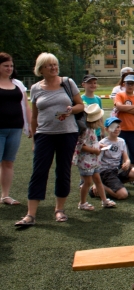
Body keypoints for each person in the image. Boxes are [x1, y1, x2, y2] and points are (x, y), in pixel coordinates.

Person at [15, 53, 84, 226]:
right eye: (49, 65)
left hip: (67, 134)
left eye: (55, 64)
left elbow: (80, 105)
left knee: (63, 171)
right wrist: (33, 139)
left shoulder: (67, 82)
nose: (54, 68)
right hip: (44, 135)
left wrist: (70, 110)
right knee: (38, 172)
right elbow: (34, 116)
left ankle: (59, 210)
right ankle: (30, 215)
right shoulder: (36, 88)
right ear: (41, 69)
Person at [0, 53, 31, 206]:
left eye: (11, 66)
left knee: (8, 163)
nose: (9, 68)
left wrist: (29, 125)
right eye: (6, 66)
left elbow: (25, 105)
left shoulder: (17, 84)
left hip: (15, 129)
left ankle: (5, 195)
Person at [73, 104, 116, 210]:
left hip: (93, 160)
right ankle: (82, 203)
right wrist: (94, 150)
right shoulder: (85, 130)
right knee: (87, 182)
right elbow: (80, 145)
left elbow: (91, 142)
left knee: (98, 179)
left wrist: (99, 146)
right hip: (86, 160)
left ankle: (104, 200)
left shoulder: (91, 129)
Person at [92, 117, 134, 200]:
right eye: (113, 127)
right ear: (106, 129)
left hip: (117, 170)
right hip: (106, 172)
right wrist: (95, 182)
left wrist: (127, 163)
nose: (117, 129)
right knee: (123, 195)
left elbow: (127, 158)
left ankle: (115, 185)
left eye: (118, 126)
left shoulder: (121, 141)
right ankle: (101, 186)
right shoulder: (102, 143)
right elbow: (96, 163)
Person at [114, 74, 134, 168]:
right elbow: (118, 106)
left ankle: (132, 171)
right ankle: (118, 172)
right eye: (128, 83)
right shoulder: (119, 95)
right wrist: (133, 107)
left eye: (132, 84)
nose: (130, 86)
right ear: (123, 84)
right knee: (119, 150)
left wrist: (124, 108)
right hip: (121, 128)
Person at [80, 74, 105, 140]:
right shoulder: (80, 99)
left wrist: (102, 130)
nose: (93, 85)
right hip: (85, 132)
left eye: (94, 83)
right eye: (90, 83)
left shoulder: (98, 99)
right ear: (83, 85)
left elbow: (100, 116)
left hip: (97, 132)